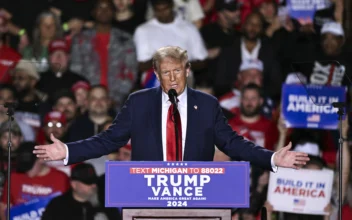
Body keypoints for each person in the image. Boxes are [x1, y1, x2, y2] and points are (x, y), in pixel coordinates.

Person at [33, 46, 309, 172]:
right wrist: (68, 150)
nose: (173, 78)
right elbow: (109, 139)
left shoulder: (208, 104)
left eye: (178, 70)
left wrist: (272, 158)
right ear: (156, 73)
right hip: (148, 193)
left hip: (197, 194)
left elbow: (233, 144)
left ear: (188, 70)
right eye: (166, 72)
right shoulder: (139, 102)